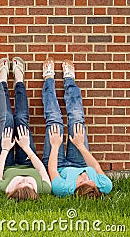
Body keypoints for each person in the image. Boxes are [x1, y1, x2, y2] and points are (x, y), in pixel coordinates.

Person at [41, 58, 113, 198]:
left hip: (59, 164)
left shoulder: (63, 189)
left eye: (82, 181)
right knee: (77, 119)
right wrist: (80, 146)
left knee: (54, 121)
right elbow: (96, 167)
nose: (85, 177)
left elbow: (52, 170)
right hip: (80, 162)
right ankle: (69, 80)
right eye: (90, 180)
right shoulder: (105, 185)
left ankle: (48, 79)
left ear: (76, 188)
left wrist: (55, 146)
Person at [0, 57, 51, 201]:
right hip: (28, 161)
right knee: (20, 120)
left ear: (11, 190)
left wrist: (5, 149)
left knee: (7, 120)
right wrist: (26, 148)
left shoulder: (2, 188)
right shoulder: (44, 188)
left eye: (20, 183)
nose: (25, 180)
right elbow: (42, 171)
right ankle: (19, 80)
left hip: (5, 163)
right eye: (29, 184)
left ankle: (2, 81)